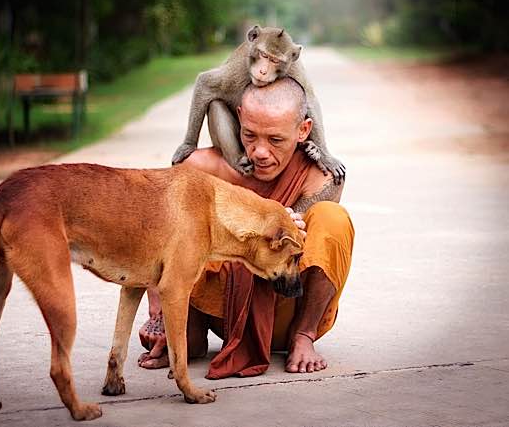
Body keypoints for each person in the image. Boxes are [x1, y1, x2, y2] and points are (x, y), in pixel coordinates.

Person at [138, 77, 354, 378]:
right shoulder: (202, 167)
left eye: (275, 140)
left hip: (287, 310)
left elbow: (310, 251)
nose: (260, 152)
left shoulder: (319, 177)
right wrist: (160, 314)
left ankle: (303, 337)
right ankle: (187, 332)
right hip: (218, 311)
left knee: (333, 219)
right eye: (250, 135)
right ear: (239, 117)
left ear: (303, 130)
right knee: (181, 222)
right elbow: (152, 231)